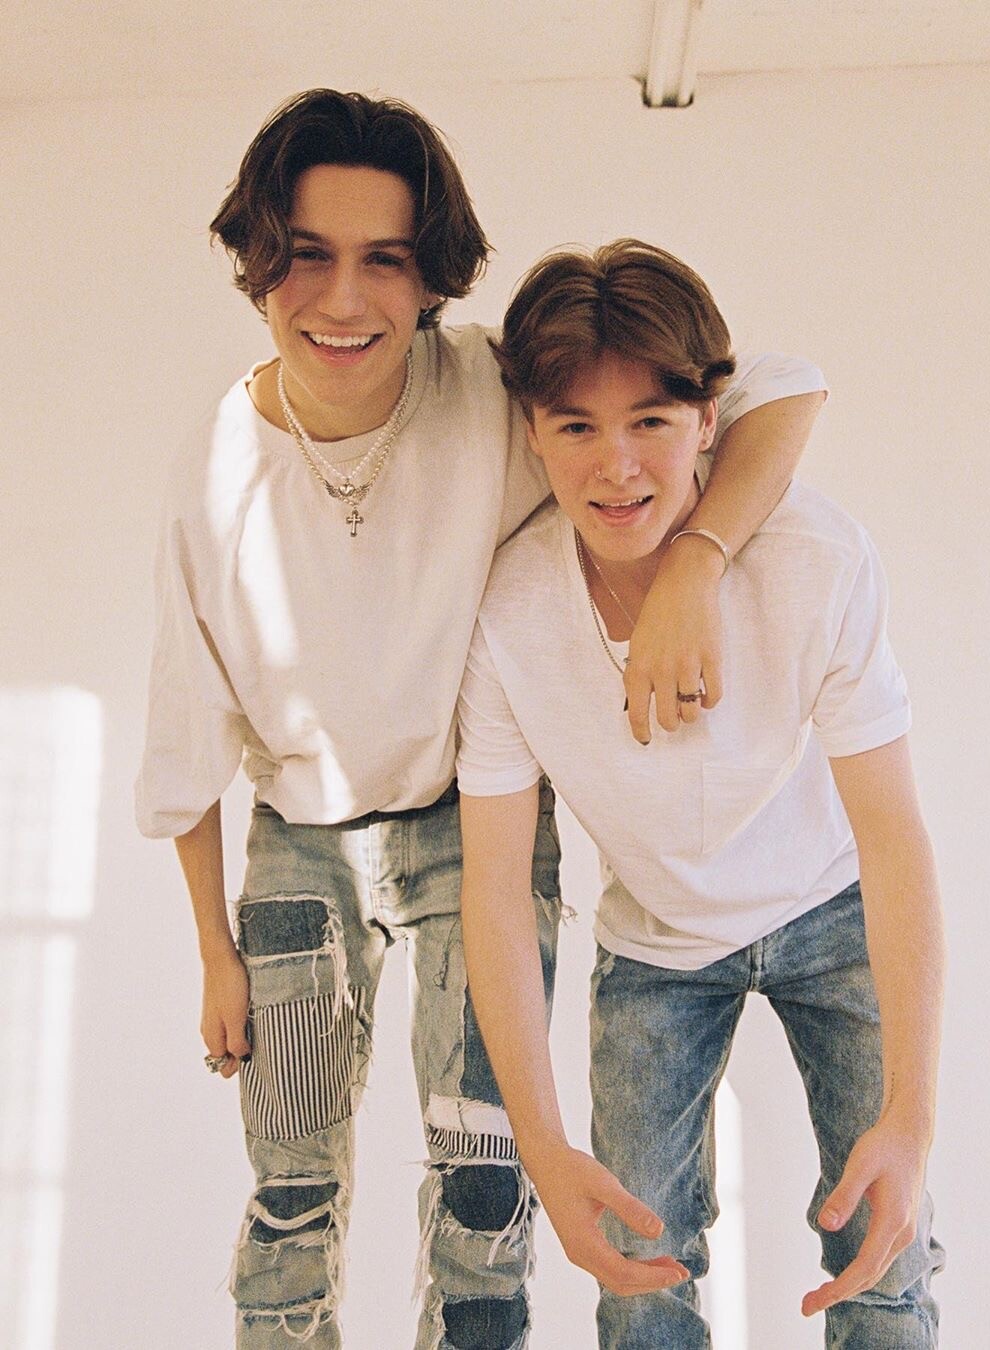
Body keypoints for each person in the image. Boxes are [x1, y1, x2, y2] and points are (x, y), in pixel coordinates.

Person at [135, 88, 826, 1349]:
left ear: (431, 278)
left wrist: (697, 562)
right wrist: (211, 953)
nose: (344, 299)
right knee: (291, 1193)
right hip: (299, 845)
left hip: (472, 834)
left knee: (486, 1190)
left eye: (386, 260)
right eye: (307, 255)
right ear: (259, 263)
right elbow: (186, 733)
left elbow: (776, 390)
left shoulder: (487, 390)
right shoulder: (213, 475)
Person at [457, 239, 946, 1347]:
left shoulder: (816, 559)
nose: (616, 466)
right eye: (576, 427)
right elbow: (496, 891)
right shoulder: (510, 614)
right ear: (531, 431)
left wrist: (913, 1117)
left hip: (833, 908)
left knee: (888, 1255)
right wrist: (544, 1148)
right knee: (640, 1273)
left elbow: (894, 835)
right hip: (657, 943)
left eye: (651, 422)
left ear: (709, 420)